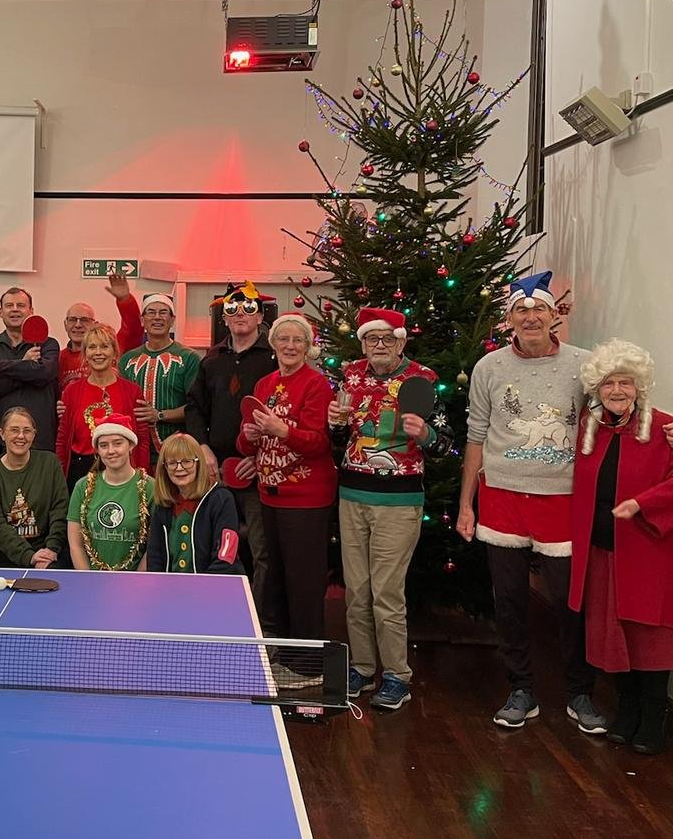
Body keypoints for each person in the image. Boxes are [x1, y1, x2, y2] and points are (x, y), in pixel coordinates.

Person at [456, 271, 604, 733]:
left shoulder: (584, 365)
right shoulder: (489, 368)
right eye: (521, 310)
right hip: (502, 499)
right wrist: (466, 504)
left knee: (569, 602)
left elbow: (610, 420)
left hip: (562, 501)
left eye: (539, 308)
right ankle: (521, 688)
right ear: (510, 319)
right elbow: (476, 437)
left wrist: (658, 427)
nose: (531, 317)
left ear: (553, 315)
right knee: (510, 602)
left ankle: (580, 693)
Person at [327, 306, 451, 711]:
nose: (379, 345)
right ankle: (362, 669)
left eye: (388, 339)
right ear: (362, 342)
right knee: (356, 591)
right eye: (371, 339)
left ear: (401, 341)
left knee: (386, 593)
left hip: (398, 501)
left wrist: (428, 433)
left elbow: (448, 443)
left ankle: (397, 676)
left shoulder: (424, 379)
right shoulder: (348, 376)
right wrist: (333, 423)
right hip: (352, 496)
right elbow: (336, 438)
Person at [568, 340, 673, 755]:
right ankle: (627, 710)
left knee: (650, 636)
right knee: (615, 635)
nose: (616, 391)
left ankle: (653, 718)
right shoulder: (588, 427)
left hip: (647, 551)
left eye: (624, 383)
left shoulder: (663, 427)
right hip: (601, 551)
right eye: (609, 383)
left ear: (638, 386)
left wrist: (642, 504)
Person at [237, 314, 337, 662]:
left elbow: (318, 443)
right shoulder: (264, 384)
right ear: (274, 344)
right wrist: (248, 436)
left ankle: (309, 662)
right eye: (284, 339)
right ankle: (284, 651)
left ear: (308, 347)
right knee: (278, 577)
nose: (291, 346)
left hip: (307, 499)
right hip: (270, 495)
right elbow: (248, 445)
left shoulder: (316, 385)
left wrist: (282, 431)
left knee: (304, 582)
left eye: (298, 340)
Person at [185, 281, 277, 613]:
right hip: (214, 471)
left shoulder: (273, 359)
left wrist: (259, 456)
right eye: (232, 309)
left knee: (260, 548)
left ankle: (258, 617)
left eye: (248, 309)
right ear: (224, 317)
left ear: (260, 315)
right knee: (214, 542)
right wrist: (203, 448)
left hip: (256, 470)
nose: (240, 315)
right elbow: (195, 407)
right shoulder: (211, 360)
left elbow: (280, 413)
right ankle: (214, 610)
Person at [56, 324, 150, 484]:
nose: (98, 352)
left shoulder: (132, 391)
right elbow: (63, 438)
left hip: (122, 467)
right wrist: (58, 477)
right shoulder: (71, 392)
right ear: (85, 354)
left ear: (114, 352)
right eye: (92, 347)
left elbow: (142, 439)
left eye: (104, 346)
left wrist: (141, 476)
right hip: (80, 469)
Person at [0, 406, 70, 570]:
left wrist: (51, 549)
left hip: (50, 557)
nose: (21, 436)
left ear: (34, 434)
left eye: (27, 431)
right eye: (14, 430)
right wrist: (29, 556)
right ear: (1, 433)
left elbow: (60, 510)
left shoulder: (50, 463)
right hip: (8, 558)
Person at [118, 291, 200, 468]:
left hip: (176, 450)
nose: (157, 317)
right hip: (133, 449)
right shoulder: (127, 360)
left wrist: (160, 415)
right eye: (151, 312)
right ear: (142, 320)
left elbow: (196, 407)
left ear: (172, 320)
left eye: (163, 312)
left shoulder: (188, 358)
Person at [67, 416, 152, 572]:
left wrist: (137, 582)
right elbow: (76, 544)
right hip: (92, 582)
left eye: (118, 443)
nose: (111, 451)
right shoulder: (82, 486)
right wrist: (88, 579)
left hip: (135, 584)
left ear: (131, 445)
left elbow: (154, 547)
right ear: (97, 450)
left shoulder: (150, 487)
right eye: (104, 445)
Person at [147, 433, 241, 574]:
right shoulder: (164, 503)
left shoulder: (221, 498)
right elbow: (155, 557)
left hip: (213, 587)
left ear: (199, 463)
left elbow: (226, 556)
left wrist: (200, 588)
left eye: (186, 461)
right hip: (171, 588)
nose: (179, 468)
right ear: (164, 468)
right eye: (172, 463)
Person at [0, 288, 60, 460]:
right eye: (9, 305)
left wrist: (2, 367)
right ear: (0, 312)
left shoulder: (48, 344)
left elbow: (44, 374)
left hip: (41, 441)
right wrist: (26, 366)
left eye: (21, 305)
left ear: (31, 311)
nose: (15, 309)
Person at [57, 271, 143, 394]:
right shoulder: (58, 358)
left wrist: (125, 301)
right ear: (65, 325)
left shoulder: (111, 348)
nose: (77, 325)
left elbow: (133, 329)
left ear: (94, 324)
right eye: (72, 320)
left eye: (84, 320)